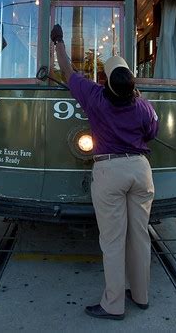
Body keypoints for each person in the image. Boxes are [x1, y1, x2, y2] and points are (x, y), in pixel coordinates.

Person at [50, 24, 159, 321]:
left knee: (112, 240)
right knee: (140, 235)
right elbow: (151, 133)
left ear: (107, 81)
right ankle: (141, 296)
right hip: (140, 169)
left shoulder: (95, 97)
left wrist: (59, 41)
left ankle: (113, 305)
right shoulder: (144, 106)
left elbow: (68, 71)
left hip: (110, 170)